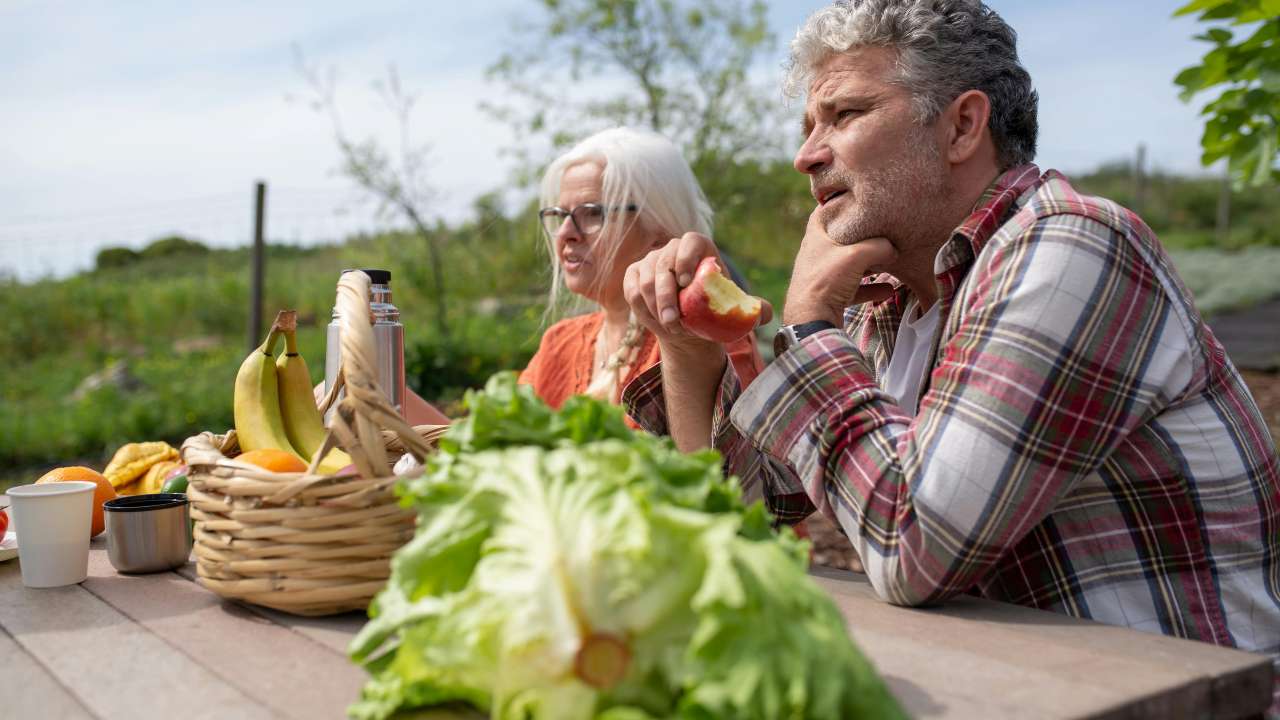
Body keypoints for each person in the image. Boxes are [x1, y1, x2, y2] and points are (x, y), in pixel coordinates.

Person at [621, 0, 1280, 707]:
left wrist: (810, 325)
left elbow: (915, 546)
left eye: (843, 116)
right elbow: (740, 519)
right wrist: (692, 351)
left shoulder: (1073, 248)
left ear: (963, 125)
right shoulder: (887, 307)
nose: (805, 155)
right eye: (809, 126)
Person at [402, 126, 763, 426]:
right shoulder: (561, 345)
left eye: (592, 213)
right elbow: (479, 459)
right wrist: (384, 387)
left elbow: (738, 486)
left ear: (660, 230)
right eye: (560, 215)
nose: (566, 234)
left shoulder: (709, 339)